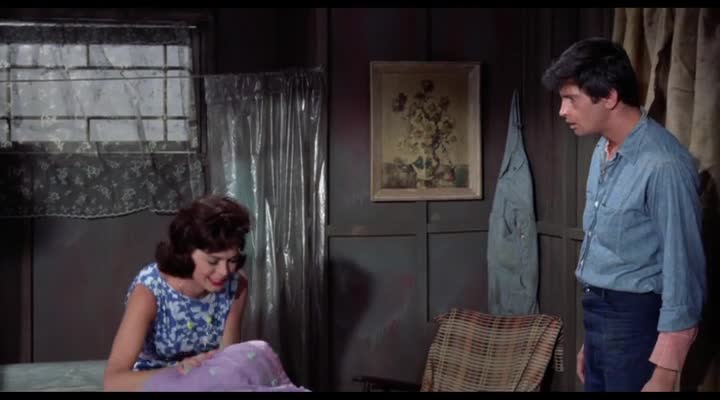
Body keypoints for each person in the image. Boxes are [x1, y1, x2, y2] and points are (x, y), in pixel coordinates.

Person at [541, 37, 706, 392]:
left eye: (571, 99)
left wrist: (666, 373)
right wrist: (592, 343)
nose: (562, 111)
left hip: (638, 324)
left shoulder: (664, 165)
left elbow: (684, 275)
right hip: (600, 319)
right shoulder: (602, 149)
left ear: (609, 97)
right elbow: (613, 256)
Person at [103, 194, 251, 391]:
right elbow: (113, 381)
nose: (224, 272)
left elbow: (227, 364)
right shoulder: (150, 290)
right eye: (213, 261)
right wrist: (179, 373)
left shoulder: (236, 285)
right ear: (186, 252)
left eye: (232, 260)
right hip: (156, 384)